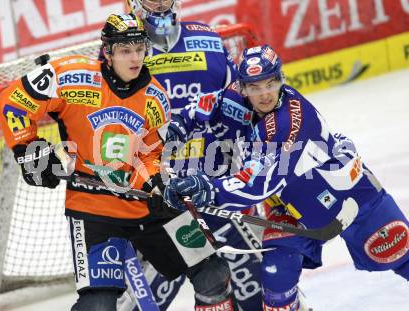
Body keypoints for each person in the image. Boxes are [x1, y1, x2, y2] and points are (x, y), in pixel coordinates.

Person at [0, 13, 238, 311]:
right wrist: (28, 148)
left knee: (213, 274)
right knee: (98, 305)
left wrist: (159, 184)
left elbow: (149, 156)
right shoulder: (71, 76)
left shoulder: (155, 99)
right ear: (108, 52)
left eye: (140, 49)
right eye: (125, 50)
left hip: (145, 207)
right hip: (93, 208)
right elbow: (14, 99)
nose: (135, 58)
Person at [164, 44, 409, 310]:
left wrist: (208, 189)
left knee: (399, 255)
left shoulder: (288, 122)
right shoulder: (236, 96)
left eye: (270, 84)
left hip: (349, 199)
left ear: (281, 79)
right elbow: (207, 104)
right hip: (292, 208)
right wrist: (178, 127)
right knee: (276, 275)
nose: (264, 94)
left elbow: (258, 183)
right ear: (242, 87)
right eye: (255, 87)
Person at [112, 1, 265, 310]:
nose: (158, 3)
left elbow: (242, 110)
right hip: (160, 200)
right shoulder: (122, 52)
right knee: (147, 300)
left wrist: (251, 172)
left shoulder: (208, 40)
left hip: (218, 188)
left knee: (259, 291)